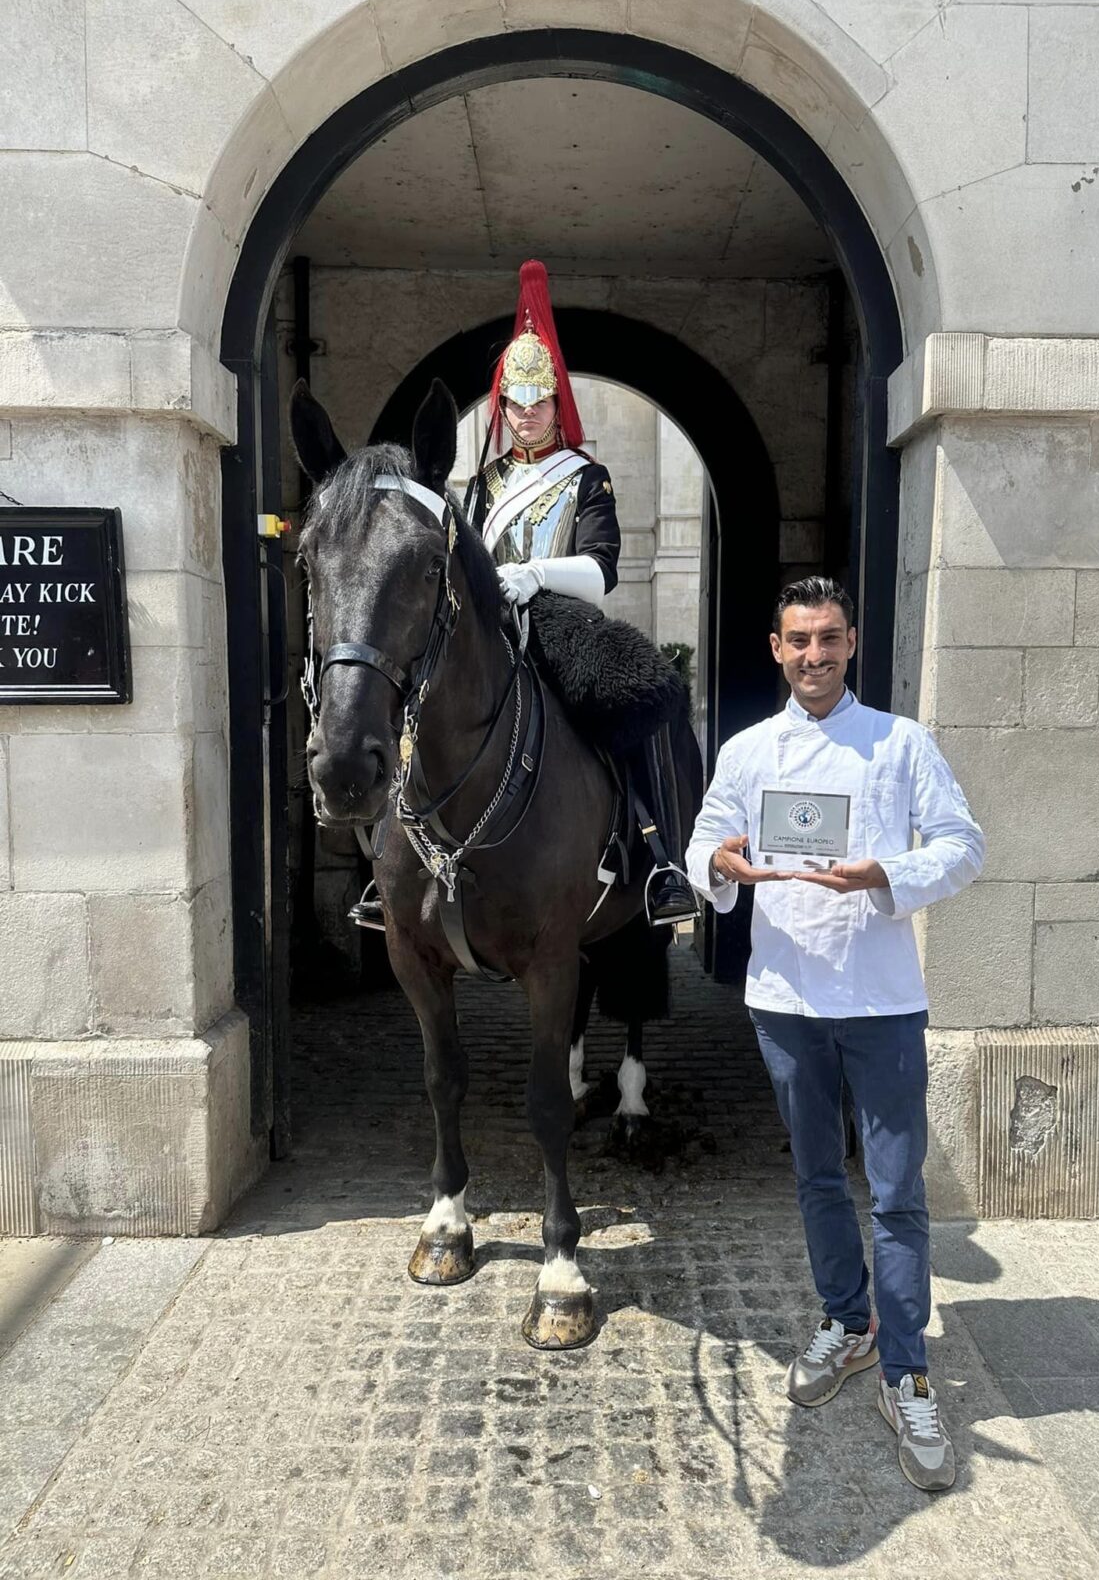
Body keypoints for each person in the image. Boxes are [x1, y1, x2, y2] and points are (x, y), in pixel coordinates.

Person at [684, 576, 984, 1492]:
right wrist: (721, 864)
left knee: (896, 1192)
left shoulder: (901, 742)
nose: (813, 655)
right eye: (798, 641)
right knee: (818, 1175)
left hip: (882, 1000)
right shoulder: (747, 751)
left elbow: (962, 844)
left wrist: (884, 876)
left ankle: (907, 1371)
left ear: (852, 642)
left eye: (829, 638)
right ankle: (848, 1322)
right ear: (777, 650)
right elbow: (704, 843)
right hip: (785, 998)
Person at [465, 260, 698, 929]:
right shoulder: (481, 484)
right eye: (516, 403)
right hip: (489, 629)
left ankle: (661, 861)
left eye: (539, 402)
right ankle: (393, 869)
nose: (527, 414)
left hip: (564, 627)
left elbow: (601, 573)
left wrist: (537, 575)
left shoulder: (586, 478)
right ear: (503, 406)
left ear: (556, 403)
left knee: (650, 696)